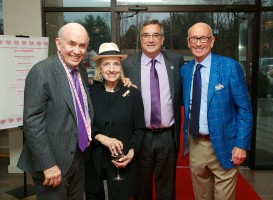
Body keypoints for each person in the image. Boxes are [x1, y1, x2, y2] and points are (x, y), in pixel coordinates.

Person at [17, 22, 94, 199]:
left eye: (82, 45)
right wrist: (48, 165)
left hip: (78, 156)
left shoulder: (80, 69)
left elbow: (80, 106)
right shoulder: (41, 72)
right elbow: (32, 122)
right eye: (72, 44)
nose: (77, 50)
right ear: (59, 43)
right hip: (53, 163)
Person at [181, 22, 253, 200]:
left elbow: (244, 108)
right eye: (194, 39)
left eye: (203, 38)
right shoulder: (186, 70)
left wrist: (241, 145)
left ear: (212, 41)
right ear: (188, 42)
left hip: (225, 143)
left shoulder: (230, 67)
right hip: (196, 142)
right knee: (201, 196)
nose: (199, 43)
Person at [122, 19, 184, 200]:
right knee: (141, 189)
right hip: (141, 137)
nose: (151, 40)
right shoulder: (127, 65)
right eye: (146, 35)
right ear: (140, 39)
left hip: (168, 136)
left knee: (167, 189)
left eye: (155, 35)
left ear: (162, 39)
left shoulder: (176, 61)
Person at [84, 42, 146, 200]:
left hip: (122, 162)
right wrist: (101, 137)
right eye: (106, 64)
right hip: (94, 162)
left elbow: (140, 129)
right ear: (99, 67)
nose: (111, 69)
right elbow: (83, 125)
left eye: (116, 64)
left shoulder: (133, 93)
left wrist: (131, 153)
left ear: (121, 66)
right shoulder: (90, 92)